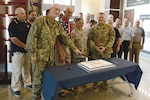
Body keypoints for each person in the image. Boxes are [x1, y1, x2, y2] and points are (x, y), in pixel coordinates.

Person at [26, 4, 81, 100]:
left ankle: (46, 96)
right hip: (39, 57)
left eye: (59, 10)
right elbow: (32, 37)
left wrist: (74, 48)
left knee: (48, 79)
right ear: (51, 9)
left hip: (50, 58)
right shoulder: (40, 21)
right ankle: (36, 98)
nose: (57, 12)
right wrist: (32, 54)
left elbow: (65, 37)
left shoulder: (56, 25)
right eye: (55, 9)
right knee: (37, 80)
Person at [8, 7, 32, 97]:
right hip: (17, 51)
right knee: (17, 71)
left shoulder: (27, 24)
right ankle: (15, 87)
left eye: (25, 13)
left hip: (27, 51)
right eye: (22, 14)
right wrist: (24, 46)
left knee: (26, 68)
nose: (24, 15)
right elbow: (13, 39)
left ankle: (28, 83)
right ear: (16, 15)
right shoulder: (12, 25)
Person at [88, 12, 115, 89]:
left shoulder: (109, 28)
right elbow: (90, 40)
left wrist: (106, 47)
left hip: (106, 52)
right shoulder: (93, 28)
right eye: (99, 17)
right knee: (95, 68)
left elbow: (112, 39)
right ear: (97, 18)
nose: (101, 19)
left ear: (105, 18)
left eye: (102, 17)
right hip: (95, 52)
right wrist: (95, 47)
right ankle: (95, 82)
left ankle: (105, 82)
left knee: (106, 68)